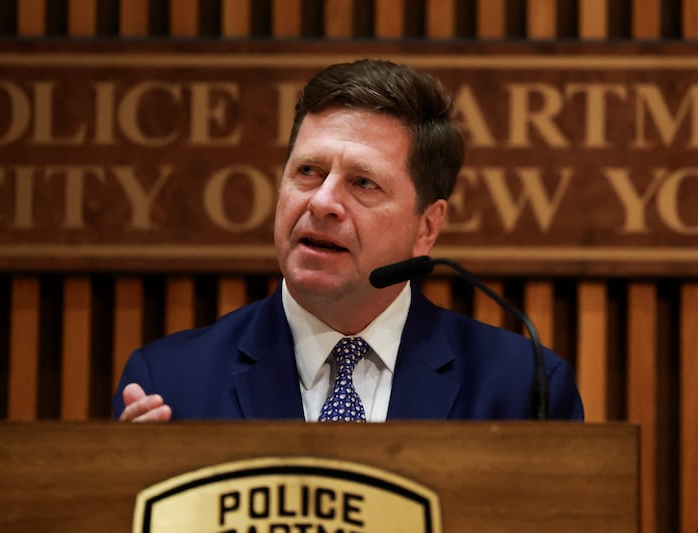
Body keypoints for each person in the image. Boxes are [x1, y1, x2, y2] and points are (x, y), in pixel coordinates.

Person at [113, 59, 583, 422]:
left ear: (427, 227)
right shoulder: (170, 385)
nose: (322, 202)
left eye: (363, 183)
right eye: (307, 172)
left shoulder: (523, 389)